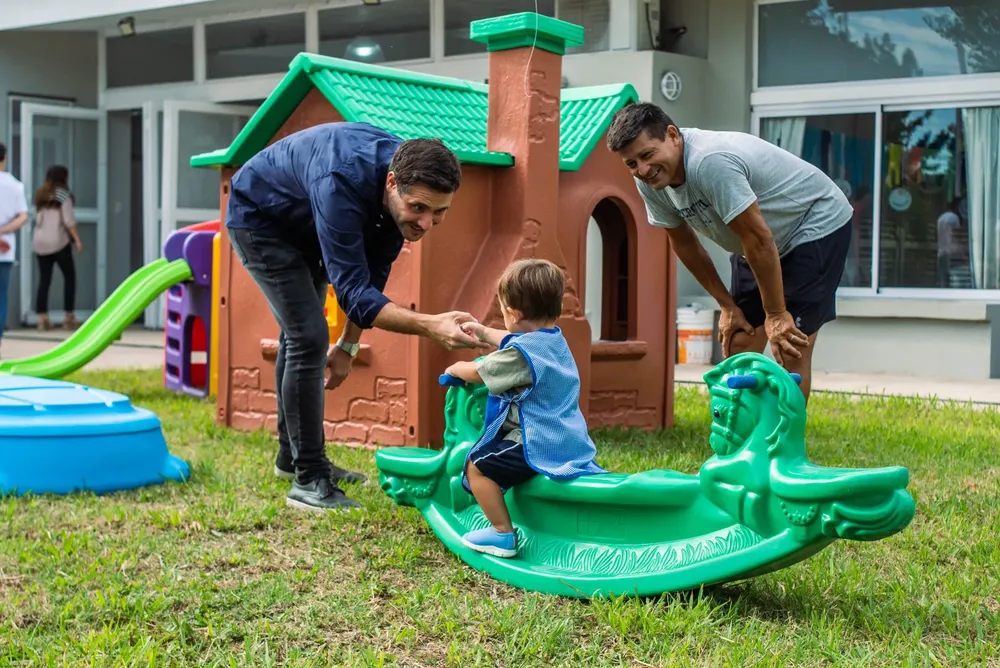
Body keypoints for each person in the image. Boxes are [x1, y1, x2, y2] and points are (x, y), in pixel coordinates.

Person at [226, 121, 487, 513]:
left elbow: (370, 281)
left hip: (307, 221)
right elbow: (353, 294)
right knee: (307, 335)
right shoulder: (341, 182)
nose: (425, 223)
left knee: (301, 334)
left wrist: (348, 346)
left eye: (439, 212)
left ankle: (290, 458)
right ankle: (308, 477)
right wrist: (431, 325)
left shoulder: (408, 183)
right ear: (392, 182)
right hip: (261, 219)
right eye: (418, 208)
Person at [606, 103, 853, 401]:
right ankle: (742, 437)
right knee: (738, 340)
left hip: (813, 222)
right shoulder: (650, 181)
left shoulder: (709, 162)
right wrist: (727, 306)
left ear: (672, 135)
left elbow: (759, 239)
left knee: (790, 344)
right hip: (755, 241)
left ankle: (782, 445)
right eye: (631, 164)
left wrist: (775, 314)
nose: (642, 170)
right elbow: (684, 243)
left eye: (647, 155)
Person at [443, 258, 606, 558]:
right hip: (568, 439)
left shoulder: (520, 357)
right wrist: (481, 331)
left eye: (504, 311)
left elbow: (482, 372)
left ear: (514, 313)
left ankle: (502, 533)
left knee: (477, 466)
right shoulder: (553, 341)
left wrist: (458, 367)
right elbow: (511, 338)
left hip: (536, 441)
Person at [32, 165, 84, 330]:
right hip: (58, 242)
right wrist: (77, 240)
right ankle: (69, 316)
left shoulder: (40, 195)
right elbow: (68, 221)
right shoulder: (63, 194)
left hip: (40, 242)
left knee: (44, 279)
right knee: (70, 277)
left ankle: (42, 318)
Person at [0, 143, 30, 357]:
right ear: (5, 158)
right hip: (5, 250)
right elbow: (23, 216)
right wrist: (2, 231)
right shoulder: (15, 186)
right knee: (1, 298)